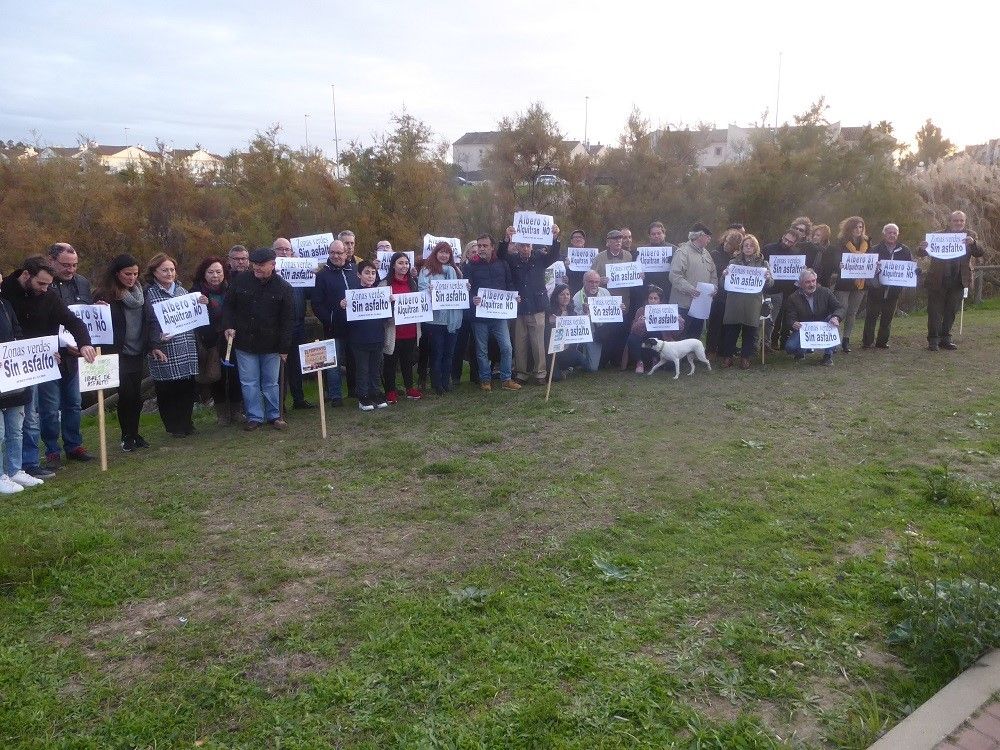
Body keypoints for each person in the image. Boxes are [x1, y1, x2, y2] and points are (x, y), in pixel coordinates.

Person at [1, 255, 96, 478]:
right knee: (20, 417)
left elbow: (73, 321)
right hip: (13, 362)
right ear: (26, 275)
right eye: (40, 283)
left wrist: (84, 344)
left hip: (39, 361)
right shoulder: (6, 292)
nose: (44, 288)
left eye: (48, 284)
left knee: (32, 416)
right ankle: (16, 465)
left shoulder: (49, 296)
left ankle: (31, 462)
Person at [222, 247, 294, 431]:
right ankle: (254, 416)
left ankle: (274, 415)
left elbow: (287, 321)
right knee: (249, 382)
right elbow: (228, 306)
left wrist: (284, 348)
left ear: (273, 265)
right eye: (254, 265)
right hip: (245, 342)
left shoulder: (284, 288)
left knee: (271, 382)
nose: (257, 268)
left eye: (261, 265)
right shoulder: (240, 281)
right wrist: (228, 325)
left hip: (272, 344)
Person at [44, 242, 96, 465]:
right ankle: (52, 449)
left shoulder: (82, 282)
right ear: (51, 261)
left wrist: (97, 308)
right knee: (49, 406)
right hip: (50, 354)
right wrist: (56, 344)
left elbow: (82, 316)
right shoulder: (43, 283)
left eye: (74, 265)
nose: (70, 270)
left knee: (74, 402)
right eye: (65, 265)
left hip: (75, 354)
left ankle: (74, 445)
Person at [93, 254, 151, 450]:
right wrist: (97, 310)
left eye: (135, 274)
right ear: (117, 274)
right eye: (127, 274)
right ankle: (126, 436)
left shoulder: (140, 293)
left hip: (137, 350)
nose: (132, 278)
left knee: (136, 396)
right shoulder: (106, 295)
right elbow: (94, 322)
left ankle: (135, 433)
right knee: (125, 395)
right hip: (118, 353)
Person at [144, 253, 203, 438]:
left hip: (186, 345)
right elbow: (145, 322)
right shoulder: (148, 294)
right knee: (168, 389)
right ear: (154, 272)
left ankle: (187, 422)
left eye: (172, 269)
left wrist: (202, 304)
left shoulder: (182, 291)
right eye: (164, 270)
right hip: (163, 347)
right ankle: (174, 425)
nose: (169, 273)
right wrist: (155, 340)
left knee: (186, 386)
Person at [917, 210, 985, 351]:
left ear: (965, 222)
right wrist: (922, 248)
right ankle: (933, 341)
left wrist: (973, 244)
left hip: (959, 280)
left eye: (961, 220)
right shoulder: (937, 235)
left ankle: (945, 339)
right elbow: (921, 253)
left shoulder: (970, 235)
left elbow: (979, 252)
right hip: (937, 279)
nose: (958, 223)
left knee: (951, 311)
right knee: (935, 311)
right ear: (949, 221)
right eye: (955, 220)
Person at [0, 271, 43, 493]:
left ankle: (15, 470)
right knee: (0, 432)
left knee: (15, 429)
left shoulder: (5, 305)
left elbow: (17, 331)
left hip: (13, 377)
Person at [190, 255, 242, 424]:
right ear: (203, 274)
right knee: (216, 376)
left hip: (232, 338)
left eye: (218, 272)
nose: (215, 276)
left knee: (234, 375)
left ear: (224, 273)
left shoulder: (231, 288)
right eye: (210, 272)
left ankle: (236, 411)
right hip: (210, 340)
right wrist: (203, 306)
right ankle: (222, 414)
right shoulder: (196, 293)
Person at [465, 234, 521, 392]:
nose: (481, 248)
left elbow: (509, 285)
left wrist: (514, 297)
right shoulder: (470, 266)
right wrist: (472, 299)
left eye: (484, 245)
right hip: (480, 316)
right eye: (479, 245)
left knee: (507, 347)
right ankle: (485, 379)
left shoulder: (502, 264)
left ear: (492, 247)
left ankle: (506, 379)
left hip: (499, 315)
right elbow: (465, 290)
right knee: (481, 350)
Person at [311, 239, 358, 405]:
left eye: (339, 253)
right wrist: (329, 318)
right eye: (332, 253)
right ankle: (335, 395)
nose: (336, 256)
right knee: (333, 363)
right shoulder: (322, 275)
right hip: (333, 326)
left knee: (355, 359)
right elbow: (316, 303)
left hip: (355, 326)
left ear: (346, 254)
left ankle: (356, 390)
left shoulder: (354, 271)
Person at [339, 260, 389, 410]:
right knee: (362, 369)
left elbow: (386, 318)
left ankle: (375, 393)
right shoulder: (352, 294)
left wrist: (390, 303)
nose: (370, 276)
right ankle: (363, 397)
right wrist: (342, 307)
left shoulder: (381, 293)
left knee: (375, 368)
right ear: (359, 274)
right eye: (367, 273)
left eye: (373, 273)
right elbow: (346, 320)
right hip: (359, 339)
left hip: (377, 337)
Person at [719, 234, 772, 369]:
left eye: (751, 245)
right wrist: (724, 276)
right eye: (746, 245)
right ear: (742, 247)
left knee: (750, 331)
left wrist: (767, 278)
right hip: (734, 302)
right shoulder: (733, 263)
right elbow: (722, 284)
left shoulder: (763, 263)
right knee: (731, 330)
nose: (748, 248)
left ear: (756, 247)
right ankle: (728, 357)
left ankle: (745, 358)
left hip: (752, 302)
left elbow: (770, 284)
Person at [272, 237, 313, 410]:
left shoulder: (300, 269)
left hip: (299, 323)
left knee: (297, 364)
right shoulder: (271, 274)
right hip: (278, 327)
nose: (284, 252)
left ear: (292, 252)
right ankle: (279, 403)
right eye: (280, 249)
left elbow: (310, 294)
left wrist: (311, 273)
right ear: (274, 252)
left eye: (287, 249)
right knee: (278, 366)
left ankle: (299, 399)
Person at [418, 241, 463, 394]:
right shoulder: (426, 270)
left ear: (450, 255)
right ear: (435, 253)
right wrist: (429, 291)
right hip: (435, 320)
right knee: (437, 353)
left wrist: (465, 288)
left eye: (447, 252)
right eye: (441, 252)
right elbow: (421, 290)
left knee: (449, 353)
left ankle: (446, 381)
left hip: (453, 319)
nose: (444, 255)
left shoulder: (454, 270)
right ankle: (437, 384)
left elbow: (459, 291)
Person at [824, 216, 874, 353]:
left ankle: (846, 339)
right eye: (856, 227)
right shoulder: (841, 242)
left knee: (852, 313)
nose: (858, 230)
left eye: (861, 227)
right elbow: (835, 260)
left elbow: (871, 258)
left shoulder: (867, 242)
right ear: (849, 228)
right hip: (844, 282)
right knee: (841, 311)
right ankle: (834, 339)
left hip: (861, 283)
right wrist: (838, 264)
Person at [508, 240, 553, 384]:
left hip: (537, 306)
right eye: (522, 245)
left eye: (528, 245)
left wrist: (555, 239)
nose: (525, 248)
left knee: (538, 342)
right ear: (517, 246)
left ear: (532, 246)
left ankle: (540, 373)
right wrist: (506, 239)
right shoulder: (512, 259)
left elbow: (554, 255)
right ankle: (521, 373)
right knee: (520, 342)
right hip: (520, 307)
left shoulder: (540, 257)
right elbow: (501, 254)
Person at [862, 223, 913, 349]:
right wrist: (875, 268)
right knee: (871, 316)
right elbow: (867, 268)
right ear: (884, 234)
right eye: (889, 232)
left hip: (894, 291)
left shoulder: (905, 250)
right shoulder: (874, 249)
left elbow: (911, 266)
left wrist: (914, 270)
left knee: (887, 317)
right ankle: (867, 342)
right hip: (876, 289)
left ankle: (882, 342)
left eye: (894, 233)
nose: (892, 235)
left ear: (898, 234)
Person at [380, 252, 422, 403]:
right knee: (390, 362)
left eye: (406, 263)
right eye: (400, 263)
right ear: (393, 265)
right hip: (393, 331)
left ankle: (409, 388)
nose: (404, 266)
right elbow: (380, 309)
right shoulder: (385, 285)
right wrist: (389, 304)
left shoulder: (412, 283)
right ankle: (390, 391)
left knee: (408, 361)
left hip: (410, 330)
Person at [784, 268, 845, 366]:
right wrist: (793, 323)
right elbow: (790, 317)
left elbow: (839, 308)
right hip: (804, 329)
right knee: (790, 347)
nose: (812, 284)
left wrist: (836, 317)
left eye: (813, 281)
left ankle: (827, 356)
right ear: (800, 284)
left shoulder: (826, 292)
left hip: (824, 326)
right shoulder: (793, 298)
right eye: (807, 282)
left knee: (831, 319)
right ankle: (801, 352)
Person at [592, 229, 635, 367]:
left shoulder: (628, 255)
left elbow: (633, 275)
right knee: (607, 333)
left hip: (623, 302)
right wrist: (600, 280)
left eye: (620, 239)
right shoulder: (600, 257)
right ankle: (604, 360)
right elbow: (591, 276)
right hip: (606, 304)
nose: (618, 241)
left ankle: (618, 360)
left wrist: (639, 276)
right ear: (608, 242)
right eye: (614, 239)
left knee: (621, 332)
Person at [669, 222, 718, 340]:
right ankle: (680, 359)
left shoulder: (706, 253)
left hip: (701, 304)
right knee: (681, 336)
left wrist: (714, 287)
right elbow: (675, 275)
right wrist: (690, 289)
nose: (709, 239)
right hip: (684, 304)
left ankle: (691, 358)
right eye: (707, 236)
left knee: (695, 335)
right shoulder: (682, 252)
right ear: (699, 236)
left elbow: (713, 274)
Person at [626, 285, 685, 374]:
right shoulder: (641, 310)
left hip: (662, 344)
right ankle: (639, 362)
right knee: (632, 338)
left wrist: (679, 321)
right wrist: (640, 322)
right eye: (650, 298)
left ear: (660, 300)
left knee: (670, 367)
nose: (652, 301)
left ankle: (656, 360)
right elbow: (634, 330)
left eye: (655, 298)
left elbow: (677, 333)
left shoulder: (668, 310)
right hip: (644, 342)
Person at [761, 228, 802, 349]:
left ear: (794, 243)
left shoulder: (795, 254)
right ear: (783, 236)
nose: (786, 243)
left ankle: (766, 344)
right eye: (786, 239)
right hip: (765, 290)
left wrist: (800, 269)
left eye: (790, 242)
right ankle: (754, 344)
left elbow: (796, 275)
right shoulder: (768, 248)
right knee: (760, 320)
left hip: (780, 292)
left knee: (772, 320)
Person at [706, 228, 742, 356]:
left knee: (727, 325)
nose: (727, 245)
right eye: (726, 241)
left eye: (731, 245)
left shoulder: (738, 258)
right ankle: (710, 349)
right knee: (714, 323)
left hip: (732, 296)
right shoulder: (714, 254)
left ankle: (724, 349)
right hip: (717, 295)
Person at [451, 240, 482, 386]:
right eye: (473, 252)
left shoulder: (482, 267)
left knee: (476, 345)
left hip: (477, 311)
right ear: (467, 253)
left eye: (478, 252)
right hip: (463, 312)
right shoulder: (460, 269)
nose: (476, 254)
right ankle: (455, 375)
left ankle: (475, 375)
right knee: (460, 345)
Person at [571, 270, 612, 372]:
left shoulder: (605, 292)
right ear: (584, 282)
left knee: (592, 368)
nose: (594, 285)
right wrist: (584, 313)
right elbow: (574, 321)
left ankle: (582, 358)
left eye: (596, 282)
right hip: (581, 333)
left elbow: (611, 313)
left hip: (596, 333)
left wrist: (618, 308)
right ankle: (577, 356)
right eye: (591, 282)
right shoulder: (576, 298)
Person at [545, 284, 587, 380]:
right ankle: (566, 369)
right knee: (555, 377)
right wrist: (549, 323)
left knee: (586, 363)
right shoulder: (550, 313)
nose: (565, 297)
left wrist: (586, 313)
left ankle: (568, 367)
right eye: (562, 294)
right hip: (553, 352)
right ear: (556, 297)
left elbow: (581, 324)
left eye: (568, 294)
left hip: (568, 350)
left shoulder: (572, 312)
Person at [564, 228, 589, 294]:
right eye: (575, 237)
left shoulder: (591, 255)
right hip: (571, 289)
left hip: (587, 289)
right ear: (571, 241)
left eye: (580, 237)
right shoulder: (565, 256)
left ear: (584, 241)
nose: (578, 239)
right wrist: (566, 267)